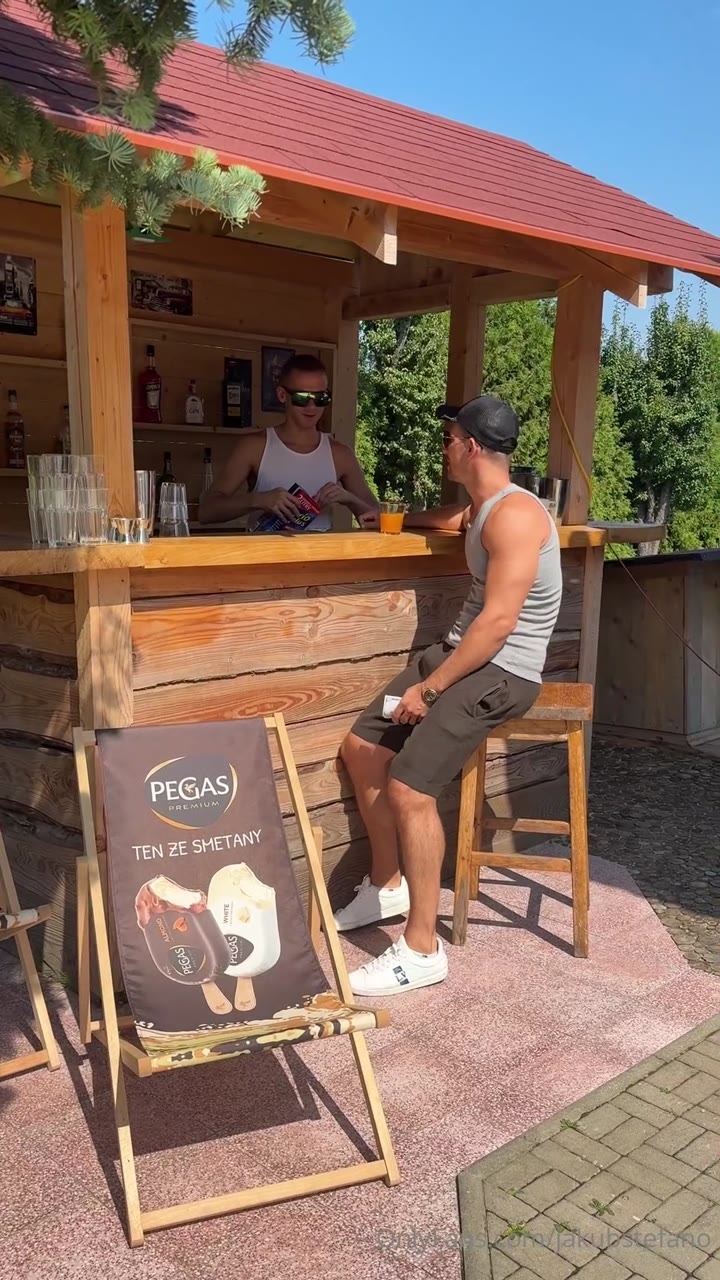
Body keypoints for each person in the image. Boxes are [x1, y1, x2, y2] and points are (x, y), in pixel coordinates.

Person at [334, 394, 563, 997]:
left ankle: (421, 949)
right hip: (462, 655)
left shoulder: (517, 516)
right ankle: (386, 884)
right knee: (363, 750)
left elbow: (499, 625)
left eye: (449, 439)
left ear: (472, 447)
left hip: (502, 671)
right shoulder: (483, 507)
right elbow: (455, 521)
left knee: (410, 789)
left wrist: (430, 690)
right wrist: (389, 519)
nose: (444, 448)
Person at [198, 354, 378, 530]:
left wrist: (348, 499)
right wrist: (259, 500)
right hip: (266, 550)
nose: (312, 407)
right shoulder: (254, 446)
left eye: (320, 398)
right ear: (282, 395)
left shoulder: (341, 454)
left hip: (320, 550)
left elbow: (379, 518)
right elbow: (207, 511)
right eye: (302, 398)